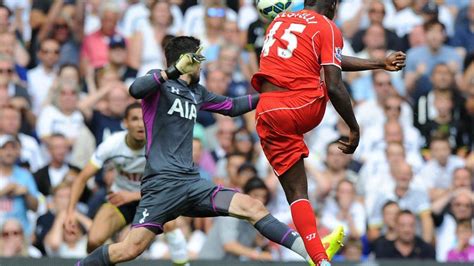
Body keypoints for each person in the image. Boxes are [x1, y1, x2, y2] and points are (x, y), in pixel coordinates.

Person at [75, 36, 339, 266]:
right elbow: (135, 89)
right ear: (186, 59)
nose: (202, 64)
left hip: (191, 183)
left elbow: (232, 106)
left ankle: (309, 253)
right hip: (161, 186)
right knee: (129, 249)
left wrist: (274, 97)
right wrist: (172, 71)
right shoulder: (160, 84)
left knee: (252, 206)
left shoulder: (197, 92)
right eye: (199, 58)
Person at [251, 1, 405, 265]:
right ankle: (318, 256)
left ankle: (319, 259)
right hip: (302, 106)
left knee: (296, 194)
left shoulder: (279, 21)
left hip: (266, 111)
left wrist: (378, 62)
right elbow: (334, 84)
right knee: (323, 78)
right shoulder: (327, 26)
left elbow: (328, 56)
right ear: (332, 4)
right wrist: (354, 128)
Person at [65, 103, 188, 265]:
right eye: (134, 119)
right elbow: (81, 178)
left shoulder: (161, 145)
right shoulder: (112, 144)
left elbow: (172, 185)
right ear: (125, 123)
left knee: (171, 222)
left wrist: (132, 196)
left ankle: (184, 264)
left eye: (143, 119)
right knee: (94, 241)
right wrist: (70, 212)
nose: (139, 124)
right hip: (120, 199)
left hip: (152, 199)